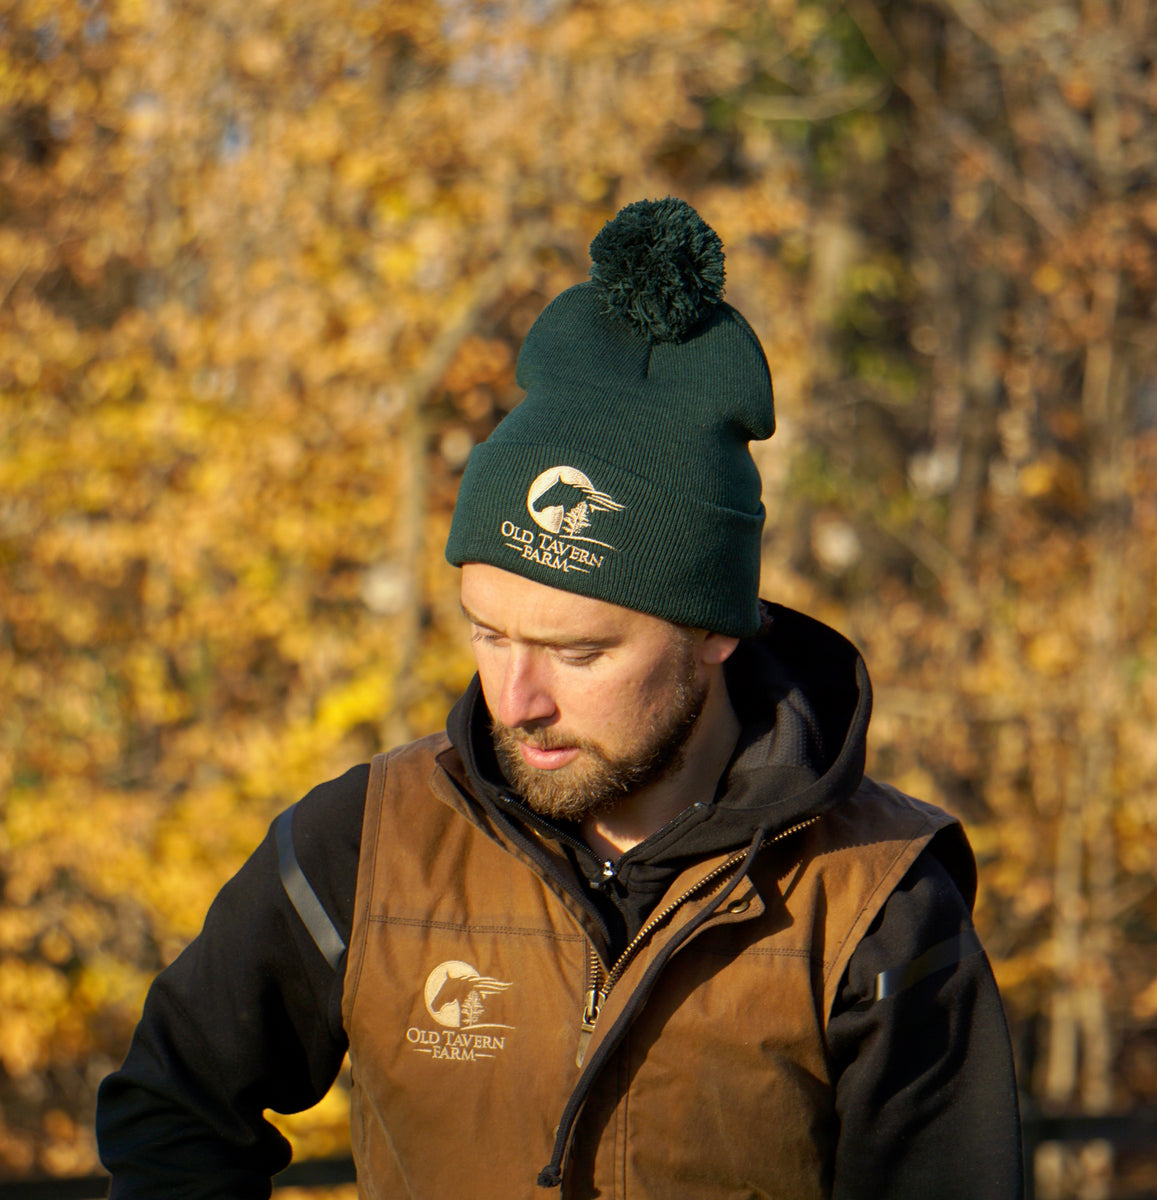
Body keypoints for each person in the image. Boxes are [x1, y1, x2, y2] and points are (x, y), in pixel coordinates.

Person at [97, 197, 1024, 1198]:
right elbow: (172, 1112)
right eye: (487, 634)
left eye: (578, 654)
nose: (515, 698)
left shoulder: (877, 897)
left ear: (715, 633)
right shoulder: (363, 844)